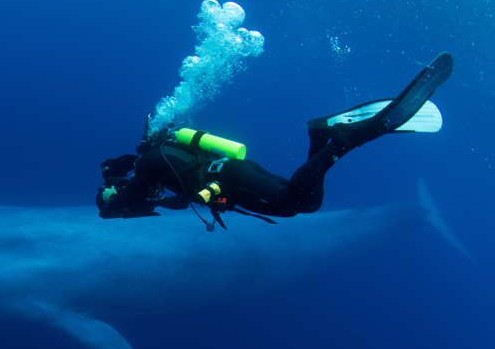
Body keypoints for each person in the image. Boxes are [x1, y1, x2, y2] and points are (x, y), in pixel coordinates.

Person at [96, 52, 454, 230]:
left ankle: (340, 143)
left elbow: (130, 200)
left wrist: (112, 201)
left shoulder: (146, 164)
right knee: (305, 201)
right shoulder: (162, 154)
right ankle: (320, 137)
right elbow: (174, 190)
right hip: (235, 171)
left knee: (293, 204)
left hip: (230, 182)